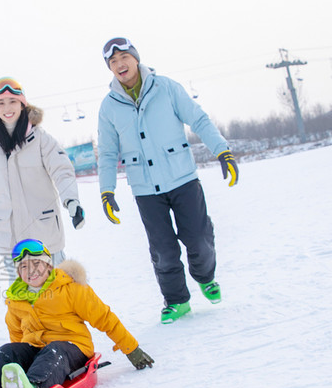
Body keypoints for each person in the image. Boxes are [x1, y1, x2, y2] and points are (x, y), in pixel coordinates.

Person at [96, 37, 239, 324]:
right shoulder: (109, 107)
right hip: (146, 189)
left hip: (183, 179)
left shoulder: (166, 88)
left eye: (124, 57)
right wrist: (106, 191)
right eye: (113, 62)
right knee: (162, 250)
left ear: (136, 58)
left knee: (198, 239)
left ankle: (205, 277)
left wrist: (222, 150)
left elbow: (198, 120)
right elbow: (109, 153)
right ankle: (176, 301)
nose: (119, 64)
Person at [0, 239, 154, 388]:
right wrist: (20, 362)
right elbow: (16, 334)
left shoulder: (71, 289)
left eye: (36, 263)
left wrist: (131, 348)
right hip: (37, 350)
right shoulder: (16, 299)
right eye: (23, 266)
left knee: (54, 350)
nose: (31, 270)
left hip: (72, 348)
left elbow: (104, 318)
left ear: (48, 265)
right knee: (8, 350)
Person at [0, 77, 85, 278]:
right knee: (21, 295)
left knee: (57, 290)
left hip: (43, 232)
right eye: (1, 103)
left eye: (13, 101)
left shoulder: (40, 139)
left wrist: (71, 200)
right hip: (8, 236)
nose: (7, 107)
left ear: (22, 104)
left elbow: (62, 170)